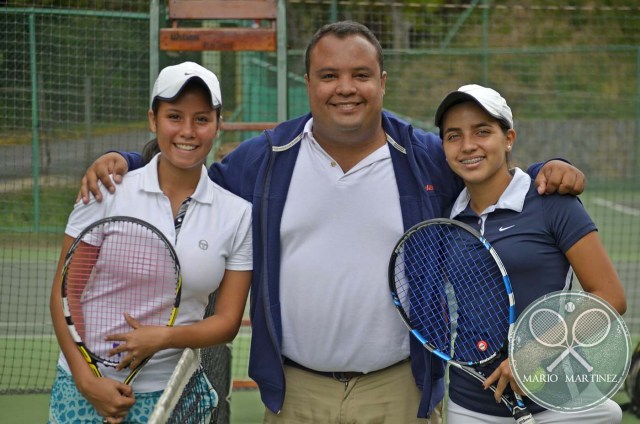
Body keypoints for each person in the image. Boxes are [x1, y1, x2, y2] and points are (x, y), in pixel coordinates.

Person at [78, 21, 587, 424]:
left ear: (381, 82)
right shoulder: (266, 158)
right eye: (330, 76)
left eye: (360, 75)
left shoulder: (426, 157)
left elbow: (486, 167)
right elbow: (189, 174)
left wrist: (547, 171)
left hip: (400, 392)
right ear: (309, 84)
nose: (346, 88)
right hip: (296, 395)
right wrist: (124, 159)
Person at [49, 62, 253, 423]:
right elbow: (65, 293)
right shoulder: (104, 191)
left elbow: (227, 321)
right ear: (153, 120)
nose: (187, 131)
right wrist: (86, 380)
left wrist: (163, 338)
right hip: (83, 388)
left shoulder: (238, 215)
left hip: (175, 392)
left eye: (202, 119)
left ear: (218, 125)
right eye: (174, 116)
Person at [434, 83, 626, 423]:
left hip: (559, 399)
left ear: (508, 138)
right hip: (469, 406)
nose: (468, 146)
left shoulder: (553, 203)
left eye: (482, 132)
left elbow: (609, 297)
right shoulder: (446, 216)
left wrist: (533, 353)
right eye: (453, 136)